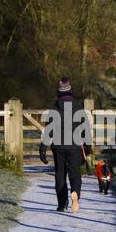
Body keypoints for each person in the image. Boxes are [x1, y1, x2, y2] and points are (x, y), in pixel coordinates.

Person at [39, 77, 91, 213]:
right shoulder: (78, 106)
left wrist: (43, 148)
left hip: (59, 146)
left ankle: (62, 204)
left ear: (59, 92)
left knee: (60, 175)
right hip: (74, 146)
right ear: (70, 91)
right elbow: (85, 128)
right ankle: (75, 195)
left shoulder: (54, 108)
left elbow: (48, 130)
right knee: (75, 174)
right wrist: (88, 146)